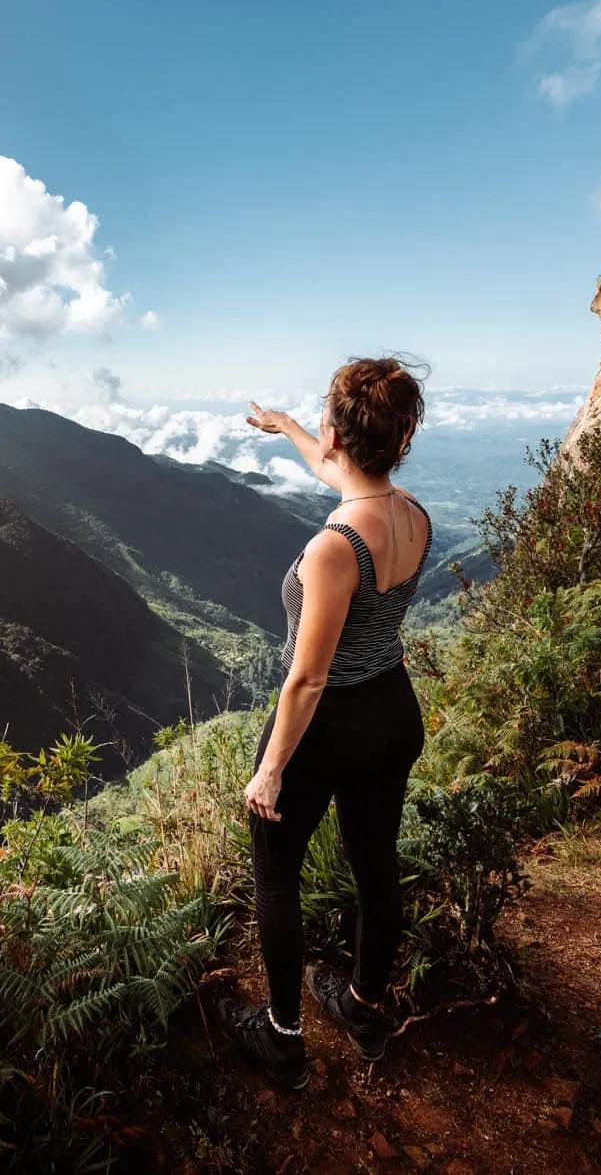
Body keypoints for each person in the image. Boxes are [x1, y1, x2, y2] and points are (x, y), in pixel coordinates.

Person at [218, 356, 432, 1090]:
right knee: (375, 859)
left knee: (276, 873)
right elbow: (341, 475)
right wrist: (285, 427)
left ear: (340, 431)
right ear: (400, 437)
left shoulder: (336, 547)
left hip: (329, 724)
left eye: (323, 428)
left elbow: (306, 678)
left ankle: (282, 1038)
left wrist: (271, 765)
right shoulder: (411, 514)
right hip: (393, 711)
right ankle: (364, 1005)